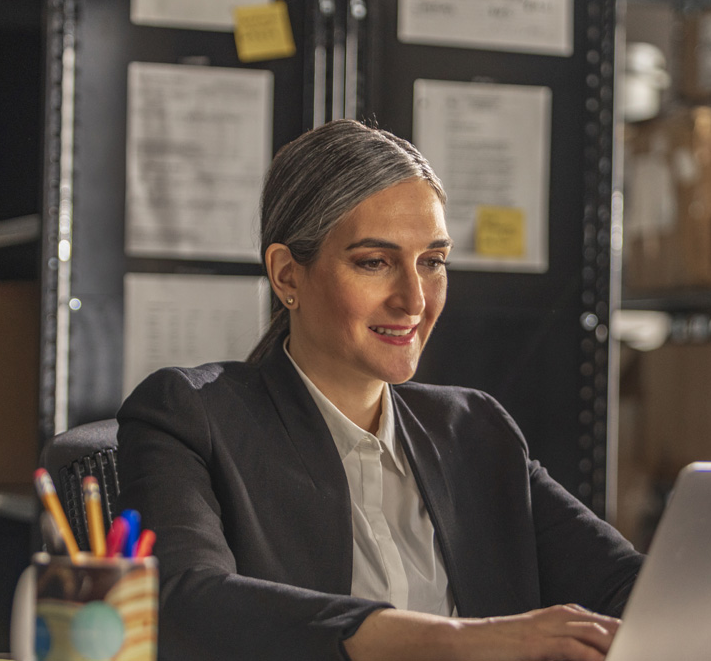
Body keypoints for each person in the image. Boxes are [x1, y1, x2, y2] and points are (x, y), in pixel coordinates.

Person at [116, 119, 644, 661]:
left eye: (432, 262)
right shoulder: (190, 416)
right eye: (375, 263)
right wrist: (466, 641)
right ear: (287, 276)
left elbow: (632, 588)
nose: (414, 300)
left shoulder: (474, 431)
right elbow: (181, 602)